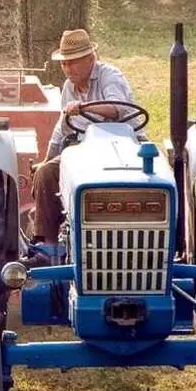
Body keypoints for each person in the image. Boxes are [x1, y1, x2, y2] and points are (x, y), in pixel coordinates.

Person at [30, 29, 143, 244]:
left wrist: (83, 108)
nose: (67, 68)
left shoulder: (110, 76)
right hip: (85, 150)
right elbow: (61, 129)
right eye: (64, 63)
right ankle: (47, 245)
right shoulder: (68, 88)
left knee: (161, 174)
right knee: (45, 173)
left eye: (73, 62)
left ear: (91, 58)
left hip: (125, 149)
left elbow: (118, 108)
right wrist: (46, 159)